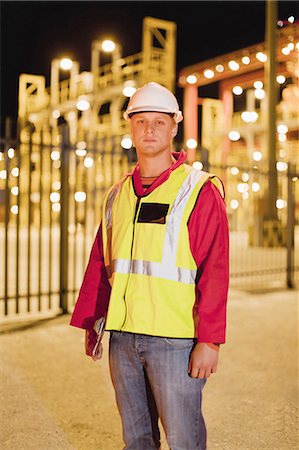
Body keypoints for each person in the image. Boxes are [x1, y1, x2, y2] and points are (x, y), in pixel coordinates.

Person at [70, 82, 229, 450]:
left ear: (175, 126)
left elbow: (215, 269)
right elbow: (103, 262)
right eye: (141, 121)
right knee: (137, 439)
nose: (149, 130)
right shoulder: (117, 194)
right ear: (130, 127)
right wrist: (94, 322)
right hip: (124, 340)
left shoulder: (197, 189)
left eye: (159, 122)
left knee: (184, 439)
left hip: (174, 341)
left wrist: (209, 340)